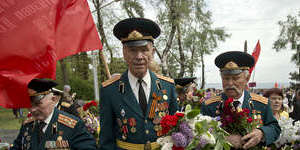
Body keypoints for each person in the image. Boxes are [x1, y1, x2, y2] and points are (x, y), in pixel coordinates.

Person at [99, 18, 178, 150]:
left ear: (152, 52)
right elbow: (106, 140)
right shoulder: (109, 90)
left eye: (144, 50)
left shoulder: (167, 86)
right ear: (124, 53)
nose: (139, 56)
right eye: (133, 50)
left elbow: (177, 131)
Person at [201, 51, 281, 149]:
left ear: (247, 78)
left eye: (235, 78)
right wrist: (222, 139)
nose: (230, 83)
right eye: (226, 78)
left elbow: (275, 128)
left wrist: (261, 133)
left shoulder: (261, 104)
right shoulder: (209, 106)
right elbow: (199, 134)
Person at [11, 78, 97, 150]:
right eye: (28, 105)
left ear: (54, 100)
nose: (32, 109)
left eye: (37, 104)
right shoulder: (27, 126)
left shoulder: (73, 126)